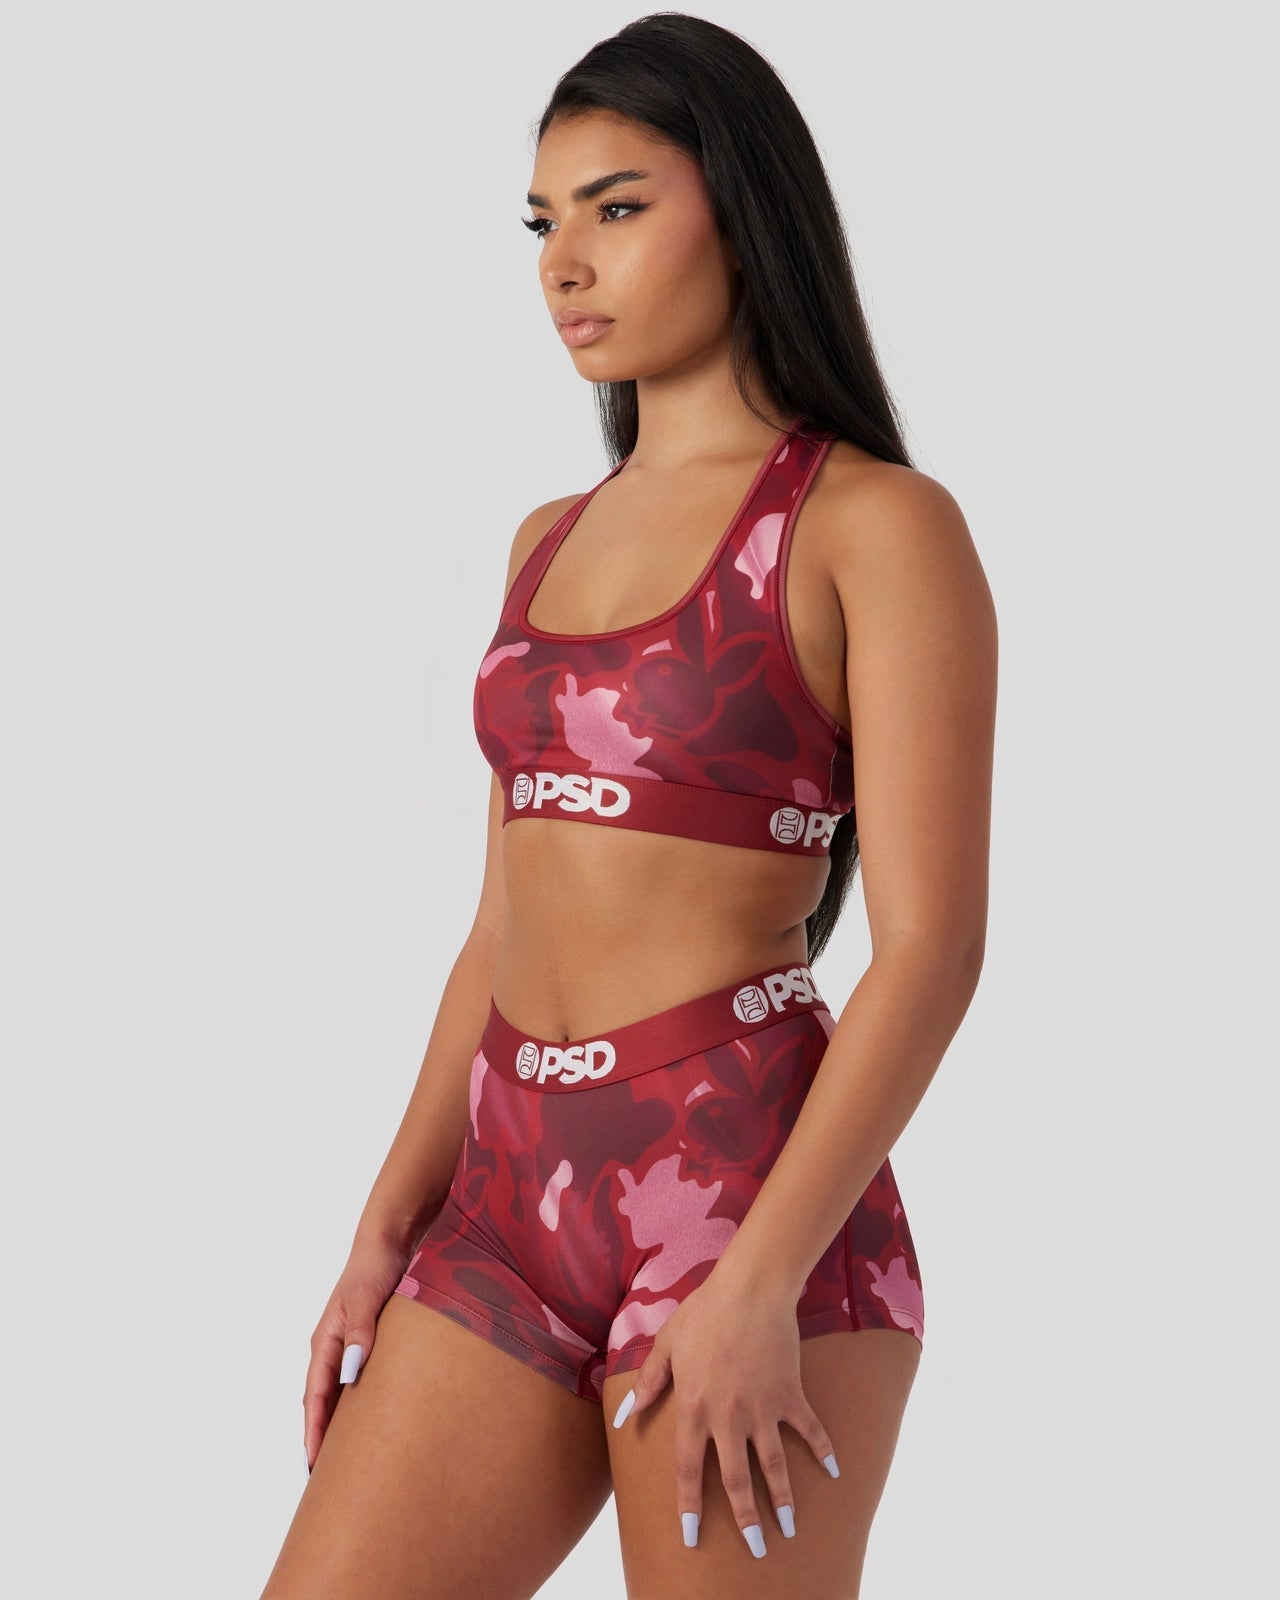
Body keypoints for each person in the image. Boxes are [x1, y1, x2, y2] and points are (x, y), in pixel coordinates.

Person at [260, 14, 996, 1598]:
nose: (564, 263)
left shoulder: (874, 525)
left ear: (744, 208)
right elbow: (498, 930)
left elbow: (932, 950)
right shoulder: (545, 540)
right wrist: (384, 1226)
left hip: (745, 1203)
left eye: (616, 206)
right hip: (503, 1207)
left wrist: (761, 1279)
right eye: (543, 222)